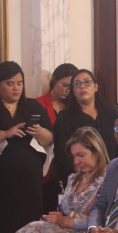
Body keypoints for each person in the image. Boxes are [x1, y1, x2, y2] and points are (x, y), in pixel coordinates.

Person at [0, 61, 53, 233]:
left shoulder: (32, 106)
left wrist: (40, 132)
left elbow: (49, 139)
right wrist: (5, 133)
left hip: (28, 180)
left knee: (27, 231)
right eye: (10, 84)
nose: (16, 88)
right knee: (0, 232)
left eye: (19, 83)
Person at [53, 69, 118, 185]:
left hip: (111, 175)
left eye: (87, 82)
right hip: (79, 177)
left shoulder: (111, 114)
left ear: (96, 87)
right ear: (73, 91)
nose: (82, 86)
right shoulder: (64, 117)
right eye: (77, 84)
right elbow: (61, 152)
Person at [36, 64, 79, 211]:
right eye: (65, 85)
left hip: (68, 163)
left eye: (71, 86)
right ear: (54, 80)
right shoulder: (37, 104)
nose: (68, 90)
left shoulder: (74, 107)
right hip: (46, 163)